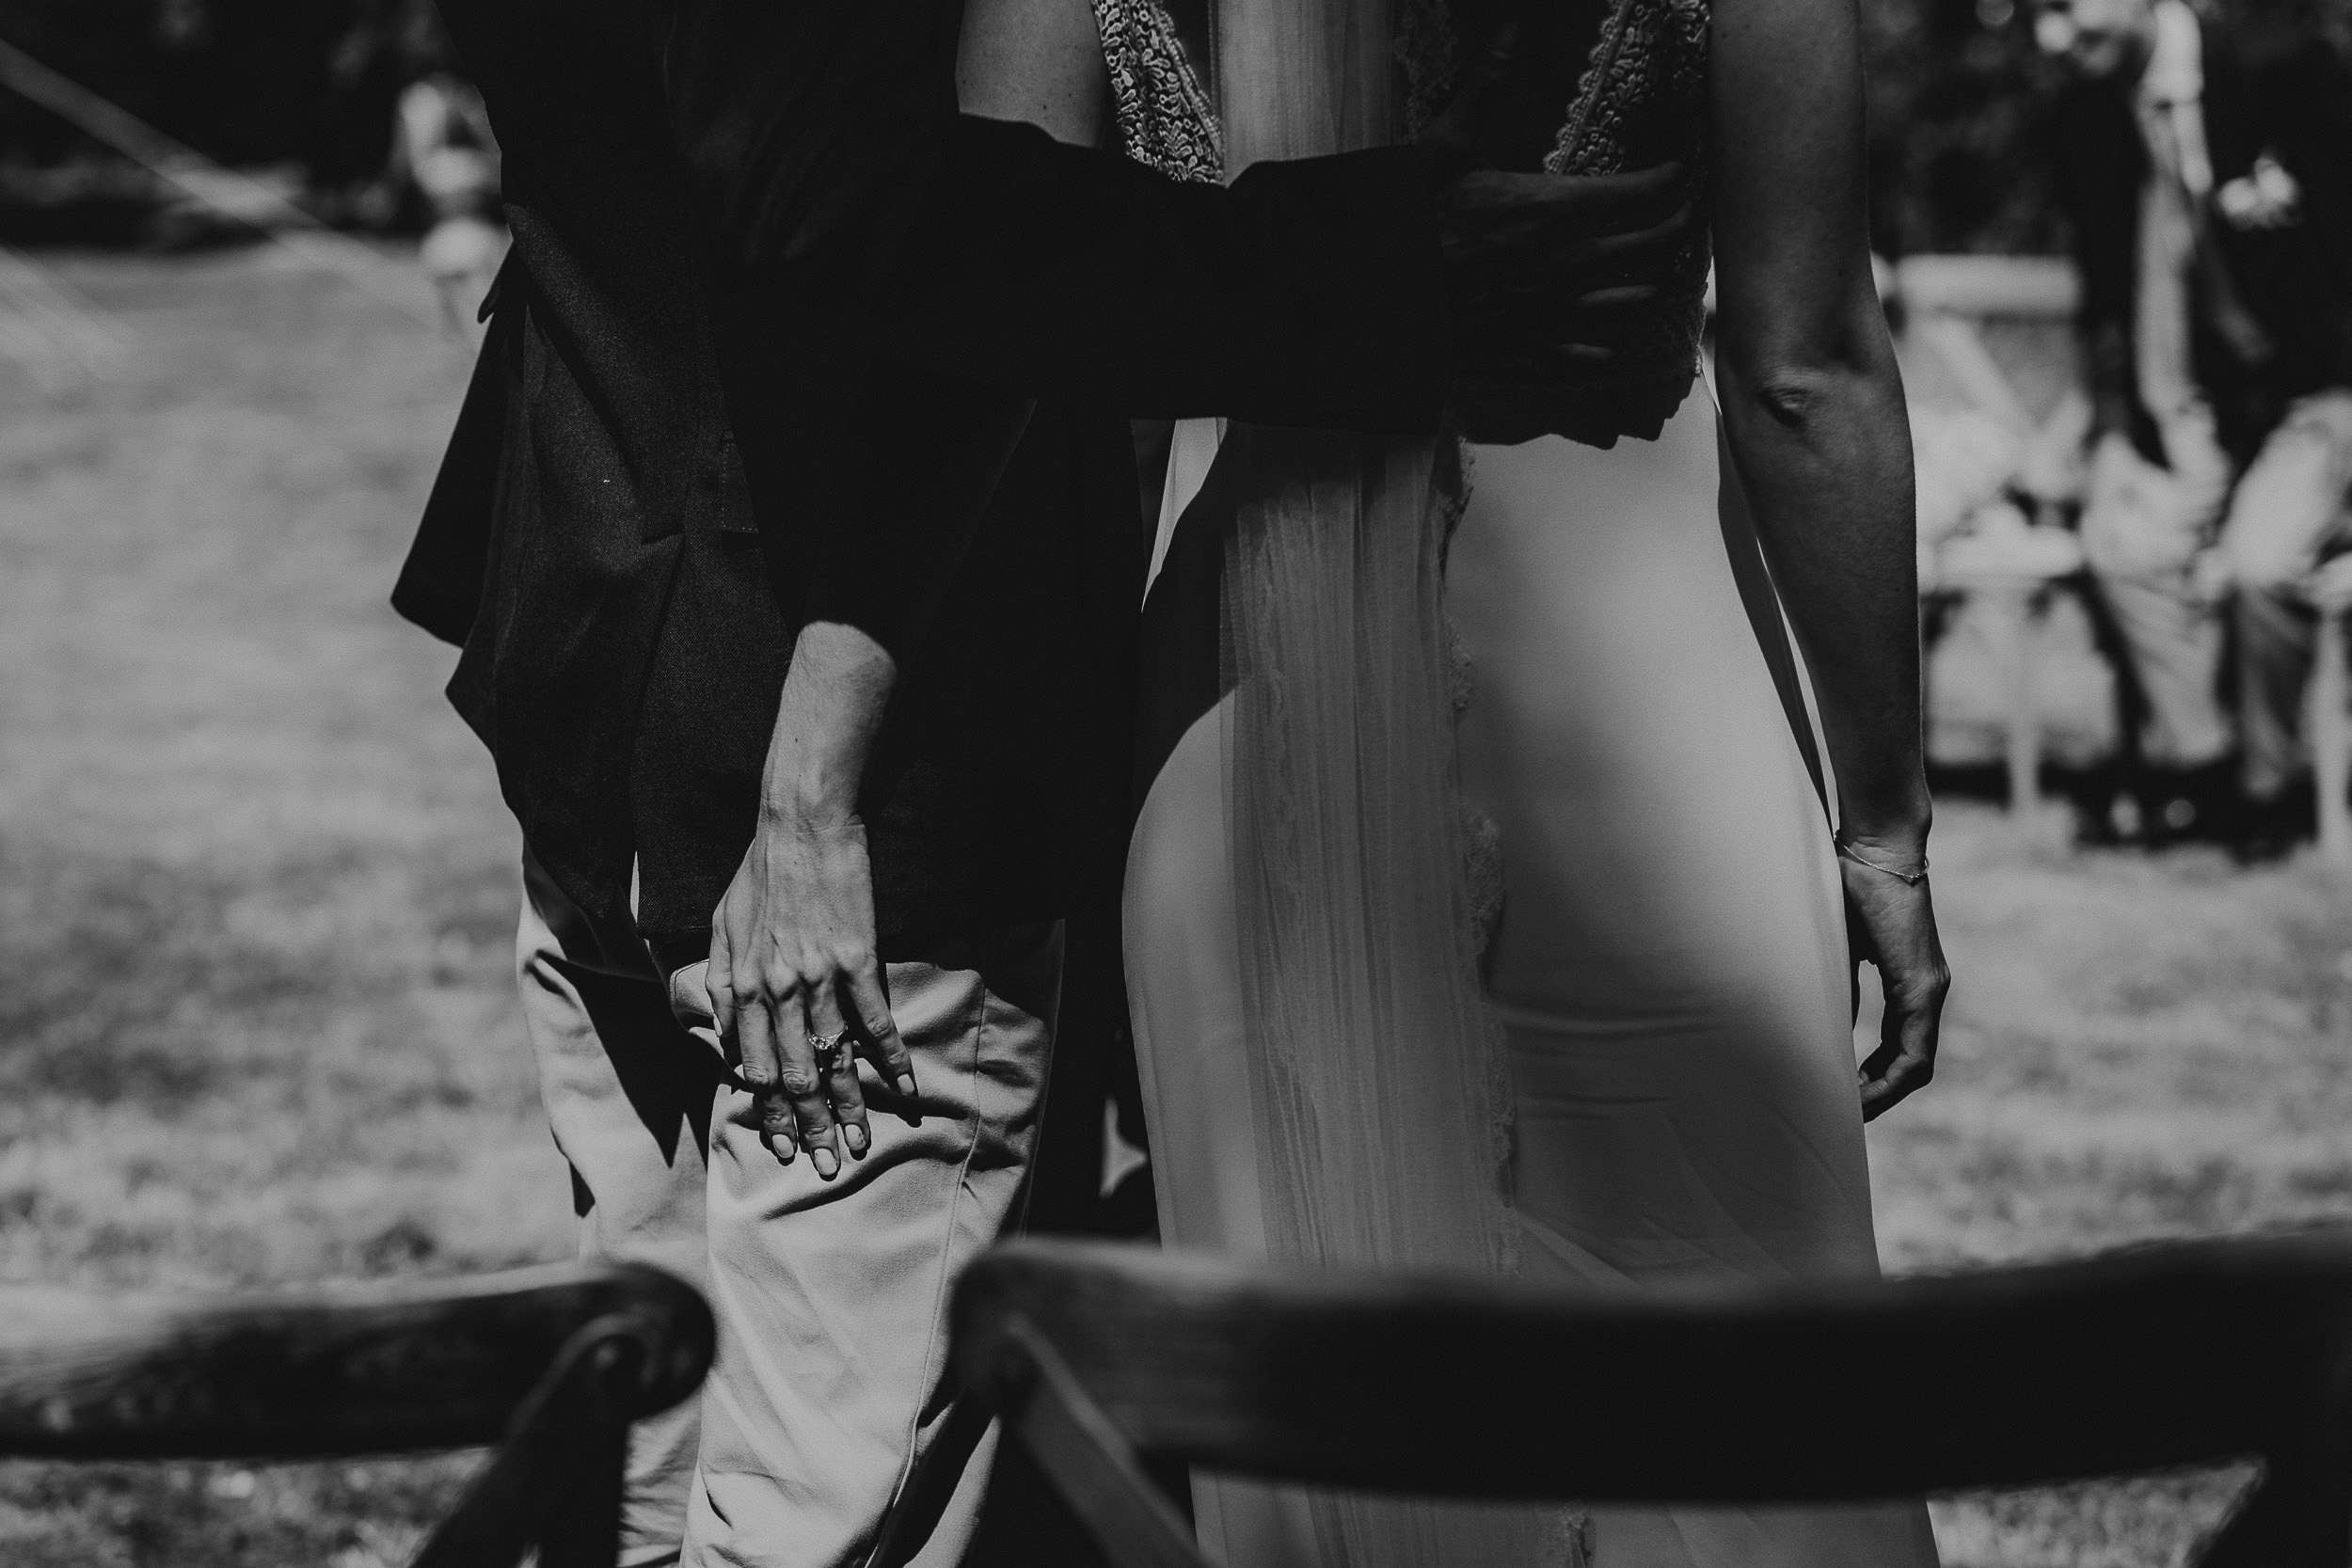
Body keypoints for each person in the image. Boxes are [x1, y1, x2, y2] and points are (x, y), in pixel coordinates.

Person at [389, 0, 1694, 1563]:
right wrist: (1395, 266)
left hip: (602, 687)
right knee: (800, 1508)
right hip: (828, 784)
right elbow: (878, 213)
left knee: (644, 1473)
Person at [1089, 0, 1951, 1562]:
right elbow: (1804, 370)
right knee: (1748, 1408)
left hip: (1241, 688)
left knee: (1339, 1421)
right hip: (1641, 714)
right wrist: (1884, 824)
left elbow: (1024, 323)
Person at [2038, 0, 2352, 849]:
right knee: (2122, 546)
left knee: (2259, 564)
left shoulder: (2293, 65)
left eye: (2064, 7)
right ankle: (2202, 766)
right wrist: (2109, 431)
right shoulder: (2083, 117)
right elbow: (2105, 296)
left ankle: (2268, 788)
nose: (2051, 35)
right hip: (2187, 410)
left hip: (2322, 397)